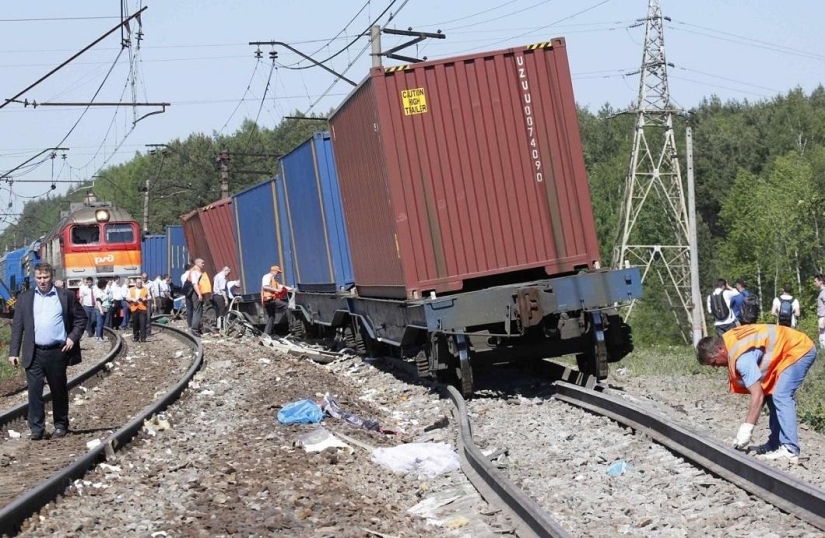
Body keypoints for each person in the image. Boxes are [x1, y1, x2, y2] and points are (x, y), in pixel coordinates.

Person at [696, 324, 817, 462]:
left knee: (781, 395)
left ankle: (790, 449)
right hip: (785, 353)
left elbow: (758, 396)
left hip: (799, 349)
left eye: (714, 362)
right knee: (772, 395)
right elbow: (762, 395)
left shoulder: (742, 360)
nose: (716, 367)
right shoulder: (729, 341)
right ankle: (774, 444)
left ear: (720, 349)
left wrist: (746, 429)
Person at [7, 262, 87, 440]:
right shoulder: (25, 298)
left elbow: (81, 319)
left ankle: (60, 425)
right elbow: (18, 327)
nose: (42, 281)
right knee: (34, 391)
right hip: (34, 352)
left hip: (57, 351)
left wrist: (72, 337)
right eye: (39, 278)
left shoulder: (65, 296)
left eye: (45, 277)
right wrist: (13, 352)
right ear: (34, 278)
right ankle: (37, 428)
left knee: (58, 389)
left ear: (51, 277)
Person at [261, 265, 289, 336]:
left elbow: (282, 287)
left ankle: (266, 333)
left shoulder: (274, 281)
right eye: (277, 272)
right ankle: (292, 326)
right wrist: (277, 290)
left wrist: (292, 289)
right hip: (269, 300)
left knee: (271, 317)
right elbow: (265, 286)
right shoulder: (267, 277)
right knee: (286, 306)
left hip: (271, 300)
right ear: (273, 271)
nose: (278, 274)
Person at [127, 277, 150, 343]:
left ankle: (143, 338)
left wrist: (145, 298)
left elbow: (149, 297)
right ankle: (136, 337)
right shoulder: (131, 289)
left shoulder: (145, 289)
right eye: (138, 282)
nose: (139, 284)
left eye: (140, 282)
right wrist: (132, 299)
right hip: (134, 308)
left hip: (143, 308)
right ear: (135, 283)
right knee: (135, 324)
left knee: (143, 323)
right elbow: (127, 297)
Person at [188, 259, 206, 336]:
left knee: (199, 311)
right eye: (202, 263)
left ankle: (198, 328)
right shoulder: (195, 272)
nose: (203, 264)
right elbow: (195, 284)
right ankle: (194, 330)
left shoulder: (196, 271)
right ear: (197, 263)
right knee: (197, 311)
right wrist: (199, 294)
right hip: (196, 293)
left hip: (197, 293)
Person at [94, 278, 112, 343]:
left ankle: (100, 336)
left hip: (103, 309)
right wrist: (101, 310)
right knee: (100, 324)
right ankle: (99, 337)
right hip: (100, 309)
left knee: (100, 323)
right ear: (103, 285)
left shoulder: (102, 291)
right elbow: (98, 302)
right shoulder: (99, 292)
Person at [816, 274, 825, 349]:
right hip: (821, 318)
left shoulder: (824, 292)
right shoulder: (822, 292)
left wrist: (823, 323)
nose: (814, 283)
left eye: (815, 281)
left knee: (823, 340)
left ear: (821, 282)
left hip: (823, 318)